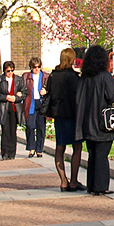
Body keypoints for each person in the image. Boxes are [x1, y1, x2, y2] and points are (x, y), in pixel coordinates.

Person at [75, 45, 114, 195]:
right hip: (102, 123)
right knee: (102, 154)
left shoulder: (84, 78)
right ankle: (101, 186)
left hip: (87, 122)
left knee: (92, 154)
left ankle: (92, 185)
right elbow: (112, 96)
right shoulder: (105, 77)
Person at [45, 47, 83, 191]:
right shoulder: (74, 77)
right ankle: (73, 180)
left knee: (60, 147)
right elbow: (78, 97)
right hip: (73, 116)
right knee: (77, 147)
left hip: (59, 115)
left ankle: (63, 181)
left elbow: (48, 93)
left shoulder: (53, 76)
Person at [0, 61, 28, 160]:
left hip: (15, 108)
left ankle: (12, 152)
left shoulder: (19, 80)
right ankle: (5, 152)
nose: (10, 73)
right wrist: (5, 97)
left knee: (13, 131)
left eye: (12, 71)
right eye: (8, 71)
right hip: (3, 107)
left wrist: (17, 98)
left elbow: (25, 92)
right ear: (4, 71)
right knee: (5, 131)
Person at [22, 57, 49, 158]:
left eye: (38, 67)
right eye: (34, 67)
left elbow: (51, 89)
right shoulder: (26, 76)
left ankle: (39, 149)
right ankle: (31, 148)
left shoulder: (46, 76)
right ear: (31, 67)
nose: (36, 69)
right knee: (30, 126)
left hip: (41, 103)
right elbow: (23, 88)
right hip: (31, 103)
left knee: (41, 127)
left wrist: (46, 92)